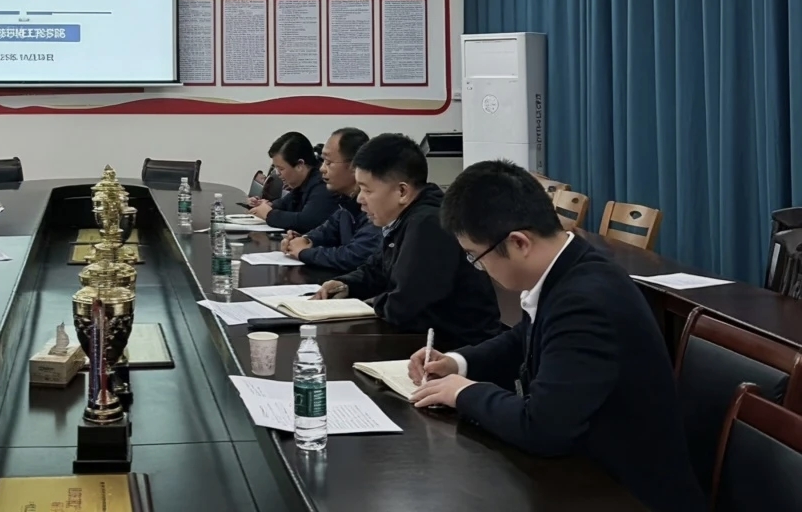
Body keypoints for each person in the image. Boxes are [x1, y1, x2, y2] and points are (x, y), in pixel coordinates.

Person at [409, 161, 705, 512]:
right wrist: (458, 362)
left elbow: (542, 428)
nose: (480, 268)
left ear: (519, 242)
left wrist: (464, 393)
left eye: (476, 257)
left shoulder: (586, 301)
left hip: (629, 494)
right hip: (585, 476)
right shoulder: (568, 267)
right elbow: (526, 337)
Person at [314, 133, 502, 347]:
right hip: (425, 341)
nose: (360, 199)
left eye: (367, 190)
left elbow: (404, 306)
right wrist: (346, 284)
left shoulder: (429, 224)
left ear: (402, 191)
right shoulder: (405, 219)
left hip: (457, 349)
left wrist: (368, 303)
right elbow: (378, 269)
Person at [281, 127, 381, 272]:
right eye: (322, 161)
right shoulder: (345, 203)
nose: (322, 168)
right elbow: (326, 231)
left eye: (328, 162)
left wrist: (304, 252)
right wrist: (305, 240)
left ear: (354, 166)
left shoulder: (374, 205)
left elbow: (355, 256)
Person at [248, 132, 340, 233]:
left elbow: (307, 221)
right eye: (275, 168)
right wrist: (266, 205)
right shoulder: (304, 182)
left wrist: (269, 214)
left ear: (300, 165)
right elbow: (285, 203)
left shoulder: (323, 183)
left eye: (281, 169)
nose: (277, 174)